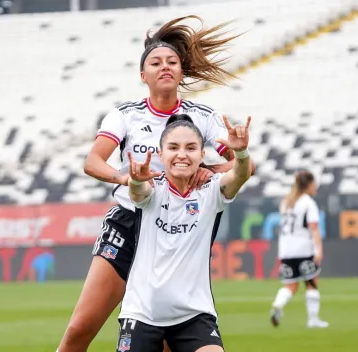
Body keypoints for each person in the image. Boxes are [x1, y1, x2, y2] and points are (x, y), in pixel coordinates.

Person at [57, 16, 255, 352]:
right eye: (155, 62)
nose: (165, 67)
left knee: (168, 336)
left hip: (176, 225)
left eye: (172, 62)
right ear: (143, 75)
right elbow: (92, 162)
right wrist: (128, 177)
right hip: (129, 220)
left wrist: (208, 168)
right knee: (80, 327)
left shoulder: (203, 116)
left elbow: (243, 165)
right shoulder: (126, 115)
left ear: (181, 73)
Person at [117, 113, 252, 351]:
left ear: (202, 155)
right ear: (161, 154)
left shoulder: (211, 191)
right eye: (173, 147)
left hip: (194, 315)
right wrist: (135, 181)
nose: (182, 154)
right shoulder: (153, 189)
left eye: (191, 148)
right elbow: (138, 193)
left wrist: (240, 153)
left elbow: (240, 175)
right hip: (141, 313)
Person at [270, 171, 329, 329]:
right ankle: (313, 320)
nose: (315, 187)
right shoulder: (308, 203)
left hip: (286, 250)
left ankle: (278, 304)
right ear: (309, 184)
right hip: (304, 248)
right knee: (311, 283)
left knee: (290, 286)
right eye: (314, 183)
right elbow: (314, 228)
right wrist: (318, 249)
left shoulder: (287, 202)